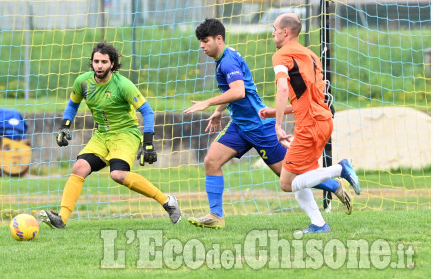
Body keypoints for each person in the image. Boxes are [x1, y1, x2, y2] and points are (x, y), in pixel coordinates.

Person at [185, 18, 351, 230]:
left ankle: (333, 184)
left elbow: (239, 91)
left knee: (290, 177)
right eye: (200, 41)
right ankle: (216, 216)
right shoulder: (225, 58)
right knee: (211, 161)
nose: (202, 45)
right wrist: (219, 111)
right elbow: (235, 91)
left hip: (259, 125)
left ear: (219, 39)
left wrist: (208, 103)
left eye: (205, 40)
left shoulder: (228, 61)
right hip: (239, 125)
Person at [39, 41, 181, 229]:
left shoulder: (123, 85)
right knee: (79, 167)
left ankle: (167, 201)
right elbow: (73, 104)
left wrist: (148, 143)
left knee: (118, 175)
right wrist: (65, 126)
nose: (99, 65)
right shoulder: (82, 82)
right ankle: (61, 218)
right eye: (96, 61)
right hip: (101, 135)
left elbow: (147, 112)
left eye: (104, 62)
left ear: (112, 64)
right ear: (92, 63)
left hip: (125, 134)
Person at [259, 13, 361, 233]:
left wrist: (277, 124)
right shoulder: (312, 56)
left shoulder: (281, 55)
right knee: (298, 176)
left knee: (286, 183)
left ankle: (339, 169)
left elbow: (283, 88)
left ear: (285, 32)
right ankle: (319, 224)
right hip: (323, 121)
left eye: (274, 28)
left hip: (309, 125)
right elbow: (310, 97)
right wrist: (275, 112)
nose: (273, 32)